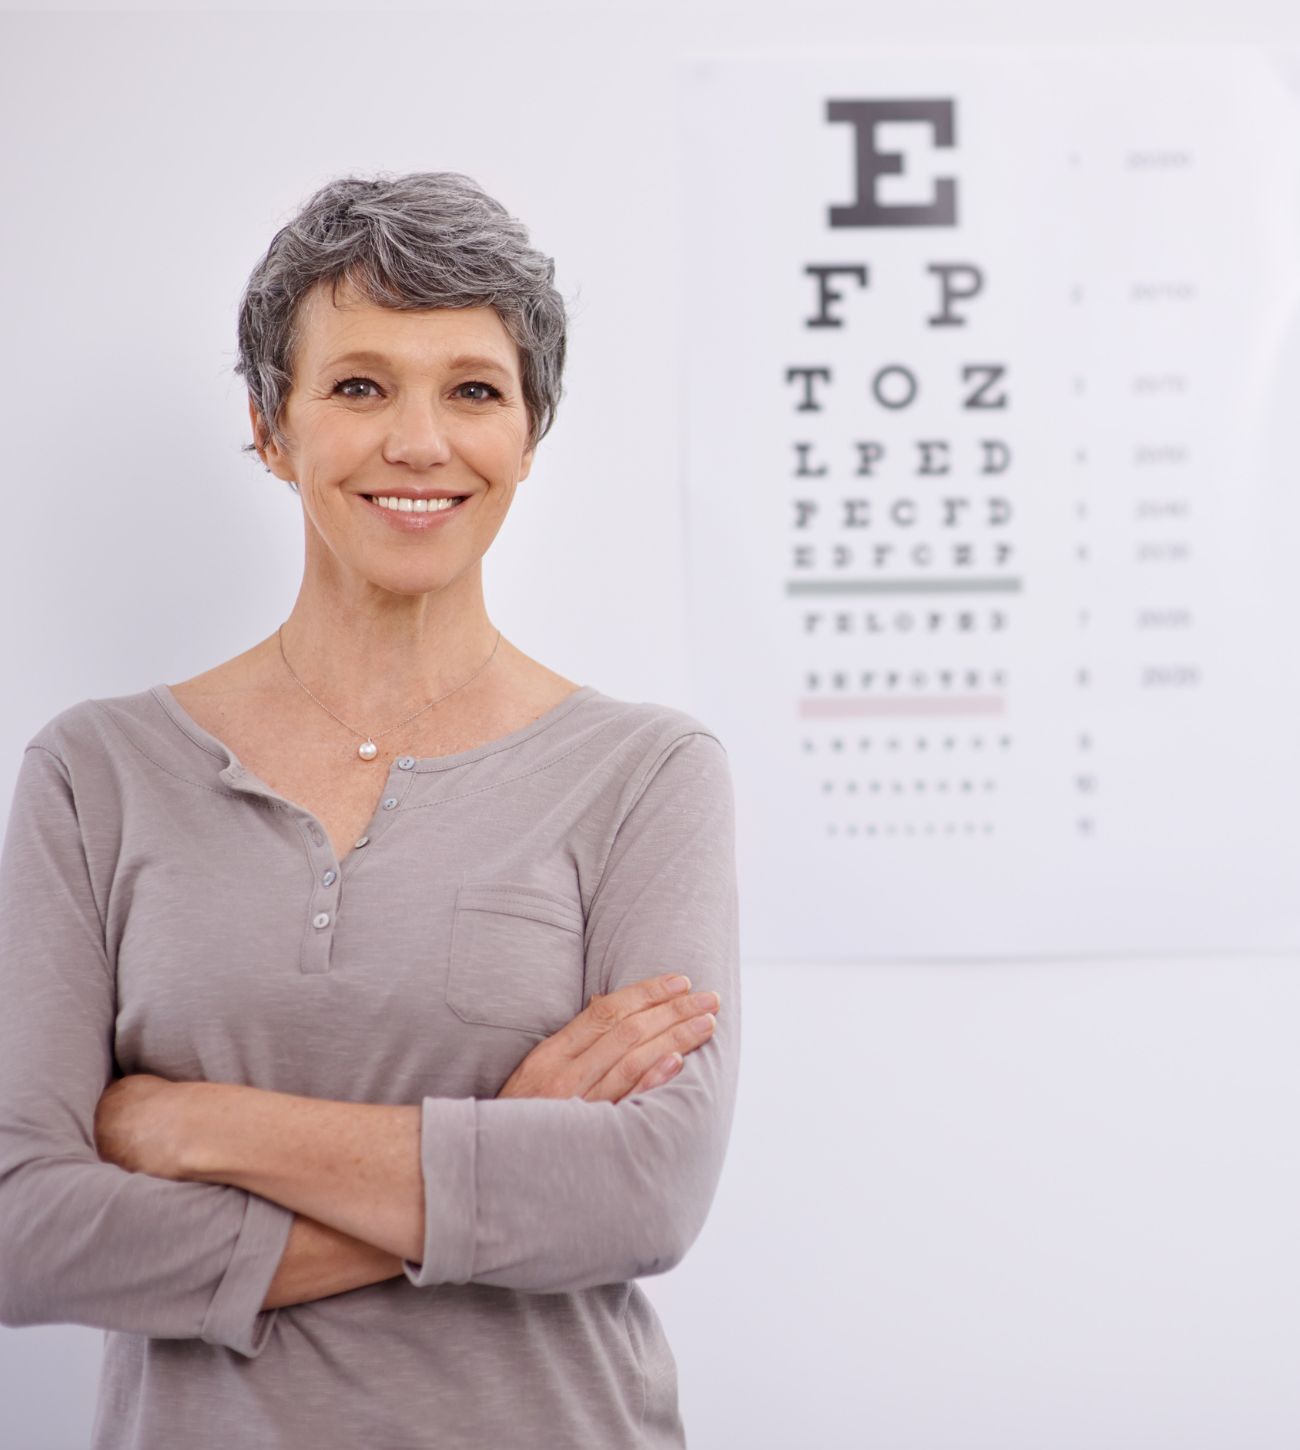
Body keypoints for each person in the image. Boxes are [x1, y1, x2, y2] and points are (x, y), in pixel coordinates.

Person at [0, 171, 739, 1450]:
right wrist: (501, 1163)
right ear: (269, 426)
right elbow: (21, 1230)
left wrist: (191, 1123)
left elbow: (643, 1196)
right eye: (357, 386)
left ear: (527, 432)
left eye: (472, 389)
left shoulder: (646, 771)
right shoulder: (95, 772)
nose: (418, 442)